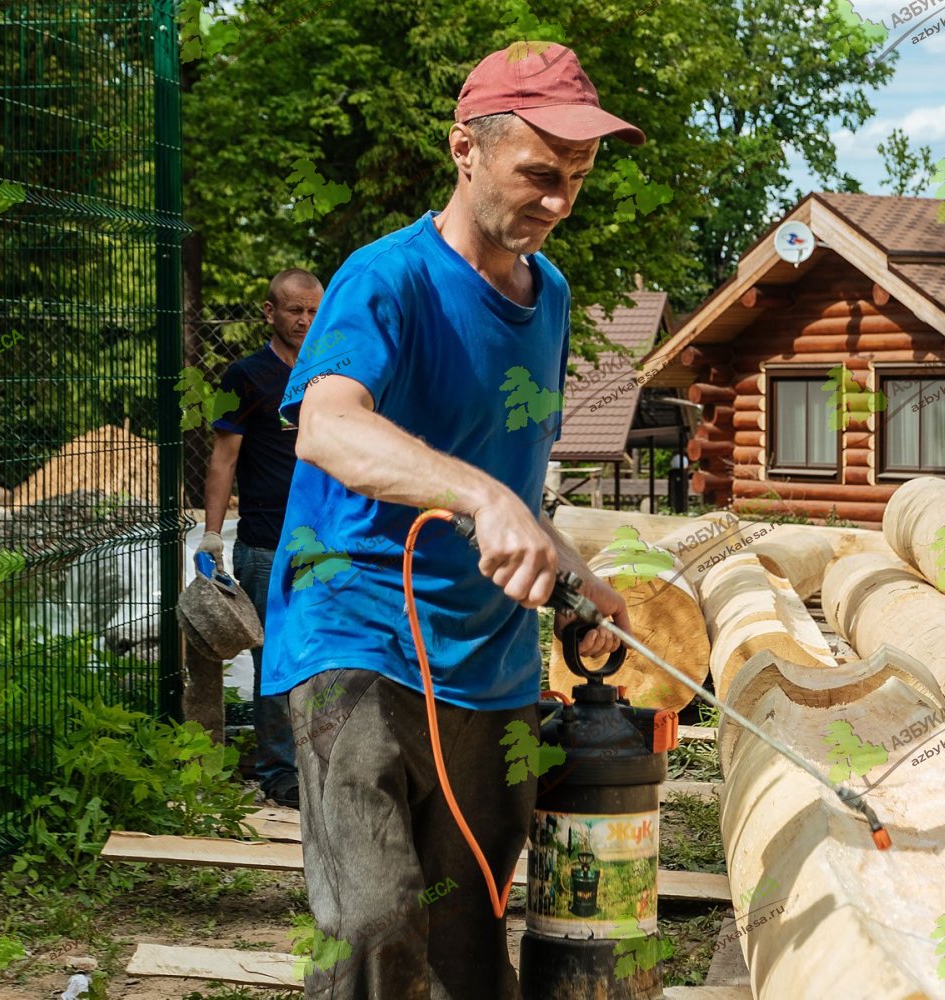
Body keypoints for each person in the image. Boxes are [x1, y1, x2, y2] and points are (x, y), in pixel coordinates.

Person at [260, 42, 646, 1000]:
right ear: (464, 150)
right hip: (354, 635)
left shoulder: (547, 296)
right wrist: (480, 500)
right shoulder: (383, 280)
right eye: (540, 175)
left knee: (466, 940)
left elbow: (509, 476)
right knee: (375, 920)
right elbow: (328, 425)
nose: (560, 201)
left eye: (579, 180)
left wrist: (571, 574)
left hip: (490, 664)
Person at [198, 267, 324, 809]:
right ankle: (279, 772)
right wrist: (209, 535)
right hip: (267, 544)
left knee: (328, 658)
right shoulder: (244, 377)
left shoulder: (333, 376)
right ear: (270, 313)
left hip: (329, 545)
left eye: (314, 311)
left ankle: (324, 762)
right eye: (294, 310)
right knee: (276, 660)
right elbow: (223, 459)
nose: (305, 320)